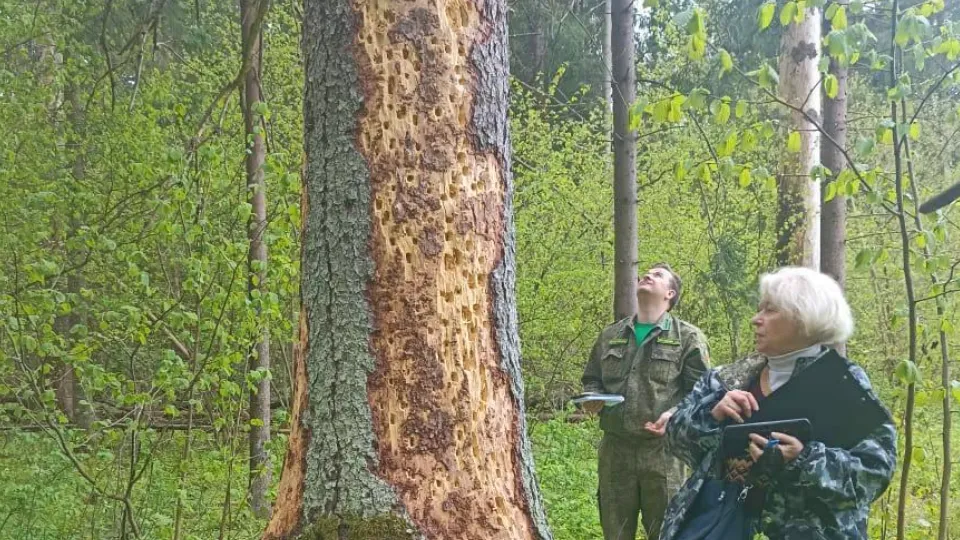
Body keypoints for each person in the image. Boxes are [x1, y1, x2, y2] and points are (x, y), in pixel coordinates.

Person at [660, 267, 897, 540]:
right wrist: (710, 416)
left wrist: (803, 459)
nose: (755, 319)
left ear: (804, 317)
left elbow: (874, 474)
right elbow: (674, 441)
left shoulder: (843, 383)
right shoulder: (725, 380)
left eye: (769, 310)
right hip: (721, 524)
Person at [581, 263, 710, 540]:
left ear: (670, 293)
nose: (648, 275)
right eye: (646, 272)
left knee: (667, 533)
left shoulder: (688, 338)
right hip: (616, 451)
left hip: (664, 454)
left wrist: (675, 414)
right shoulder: (611, 335)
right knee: (615, 533)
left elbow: (702, 393)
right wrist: (592, 398)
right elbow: (591, 379)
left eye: (659, 275)